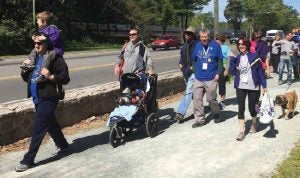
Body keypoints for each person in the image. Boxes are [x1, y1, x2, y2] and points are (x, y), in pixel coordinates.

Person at [15, 34, 70, 172]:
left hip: (49, 98)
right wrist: (24, 69)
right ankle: (63, 145)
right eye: (35, 43)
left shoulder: (55, 58)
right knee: (50, 123)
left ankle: (28, 160)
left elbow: (65, 78)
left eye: (39, 43)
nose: (36, 46)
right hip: (37, 98)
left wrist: (50, 76)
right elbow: (27, 78)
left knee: (38, 128)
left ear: (47, 44)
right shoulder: (35, 57)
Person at [229, 37, 267, 141]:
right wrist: (232, 59)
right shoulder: (237, 58)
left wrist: (264, 86)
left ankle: (254, 122)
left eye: (243, 44)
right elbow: (232, 72)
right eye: (239, 44)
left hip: (253, 86)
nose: (240, 46)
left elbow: (260, 71)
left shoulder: (254, 56)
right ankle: (241, 131)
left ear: (247, 45)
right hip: (240, 86)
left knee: (252, 108)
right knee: (241, 108)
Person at [191, 29, 224, 128]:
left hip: (211, 77)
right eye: (201, 37)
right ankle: (200, 120)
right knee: (197, 98)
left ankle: (216, 112)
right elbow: (194, 60)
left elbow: (220, 61)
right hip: (199, 77)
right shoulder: (197, 45)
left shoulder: (215, 45)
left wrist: (218, 73)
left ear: (208, 37)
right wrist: (195, 72)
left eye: (205, 37)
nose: (203, 39)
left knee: (211, 99)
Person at [23, 11, 64, 83]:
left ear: (44, 22)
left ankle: (42, 74)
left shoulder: (53, 29)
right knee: (34, 50)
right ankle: (31, 63)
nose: (37, 22)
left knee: (47, 56)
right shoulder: (42, 30)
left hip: (56, 49)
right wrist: (35, 36)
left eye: (38, 20)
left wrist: (45, 39)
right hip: (49, 48)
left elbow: (53, 41)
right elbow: (39, 35)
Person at [174, 26, 197, 121]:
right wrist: (182, 67)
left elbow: (198, 60)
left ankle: (180, 113)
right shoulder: (184, 46)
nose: (186, 35)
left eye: (189, 33)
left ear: (193, 35)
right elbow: (180, 61)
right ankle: (198, 110)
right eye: (186, 33)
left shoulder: (197, 45)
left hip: (194, 73)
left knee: (188, 92)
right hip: (185, 73)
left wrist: (192, 68)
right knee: (193, 94)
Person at [215, 34, 233, 109]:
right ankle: (214, 102)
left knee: (222, 86)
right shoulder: (214, 47)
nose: (215, 40)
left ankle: (222, 101)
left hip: (223, 68)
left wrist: (226, 70)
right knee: (213, 86)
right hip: (215, 68)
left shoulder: (226, 48)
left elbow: (229, 59)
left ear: (220, 40)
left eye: (216, 39)